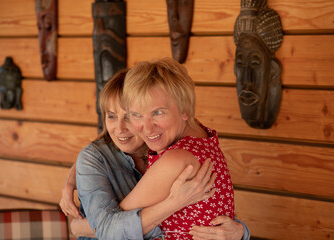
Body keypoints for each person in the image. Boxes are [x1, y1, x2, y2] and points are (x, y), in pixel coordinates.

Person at [60, 69, 250, 239]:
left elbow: (207, 212)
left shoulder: (170, 149)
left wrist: (240, 231)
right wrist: (174, 202)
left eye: (129, 116)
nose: (120, 128)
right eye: (111, 116)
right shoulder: (96, 158)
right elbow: (107, 229)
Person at [120, 58, 238, 239]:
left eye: (157, 112)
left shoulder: (176, 160)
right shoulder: (201, 136)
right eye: (137, 115)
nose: (147, 127)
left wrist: (76, 226)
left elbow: (117, 224)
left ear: (185, 111)